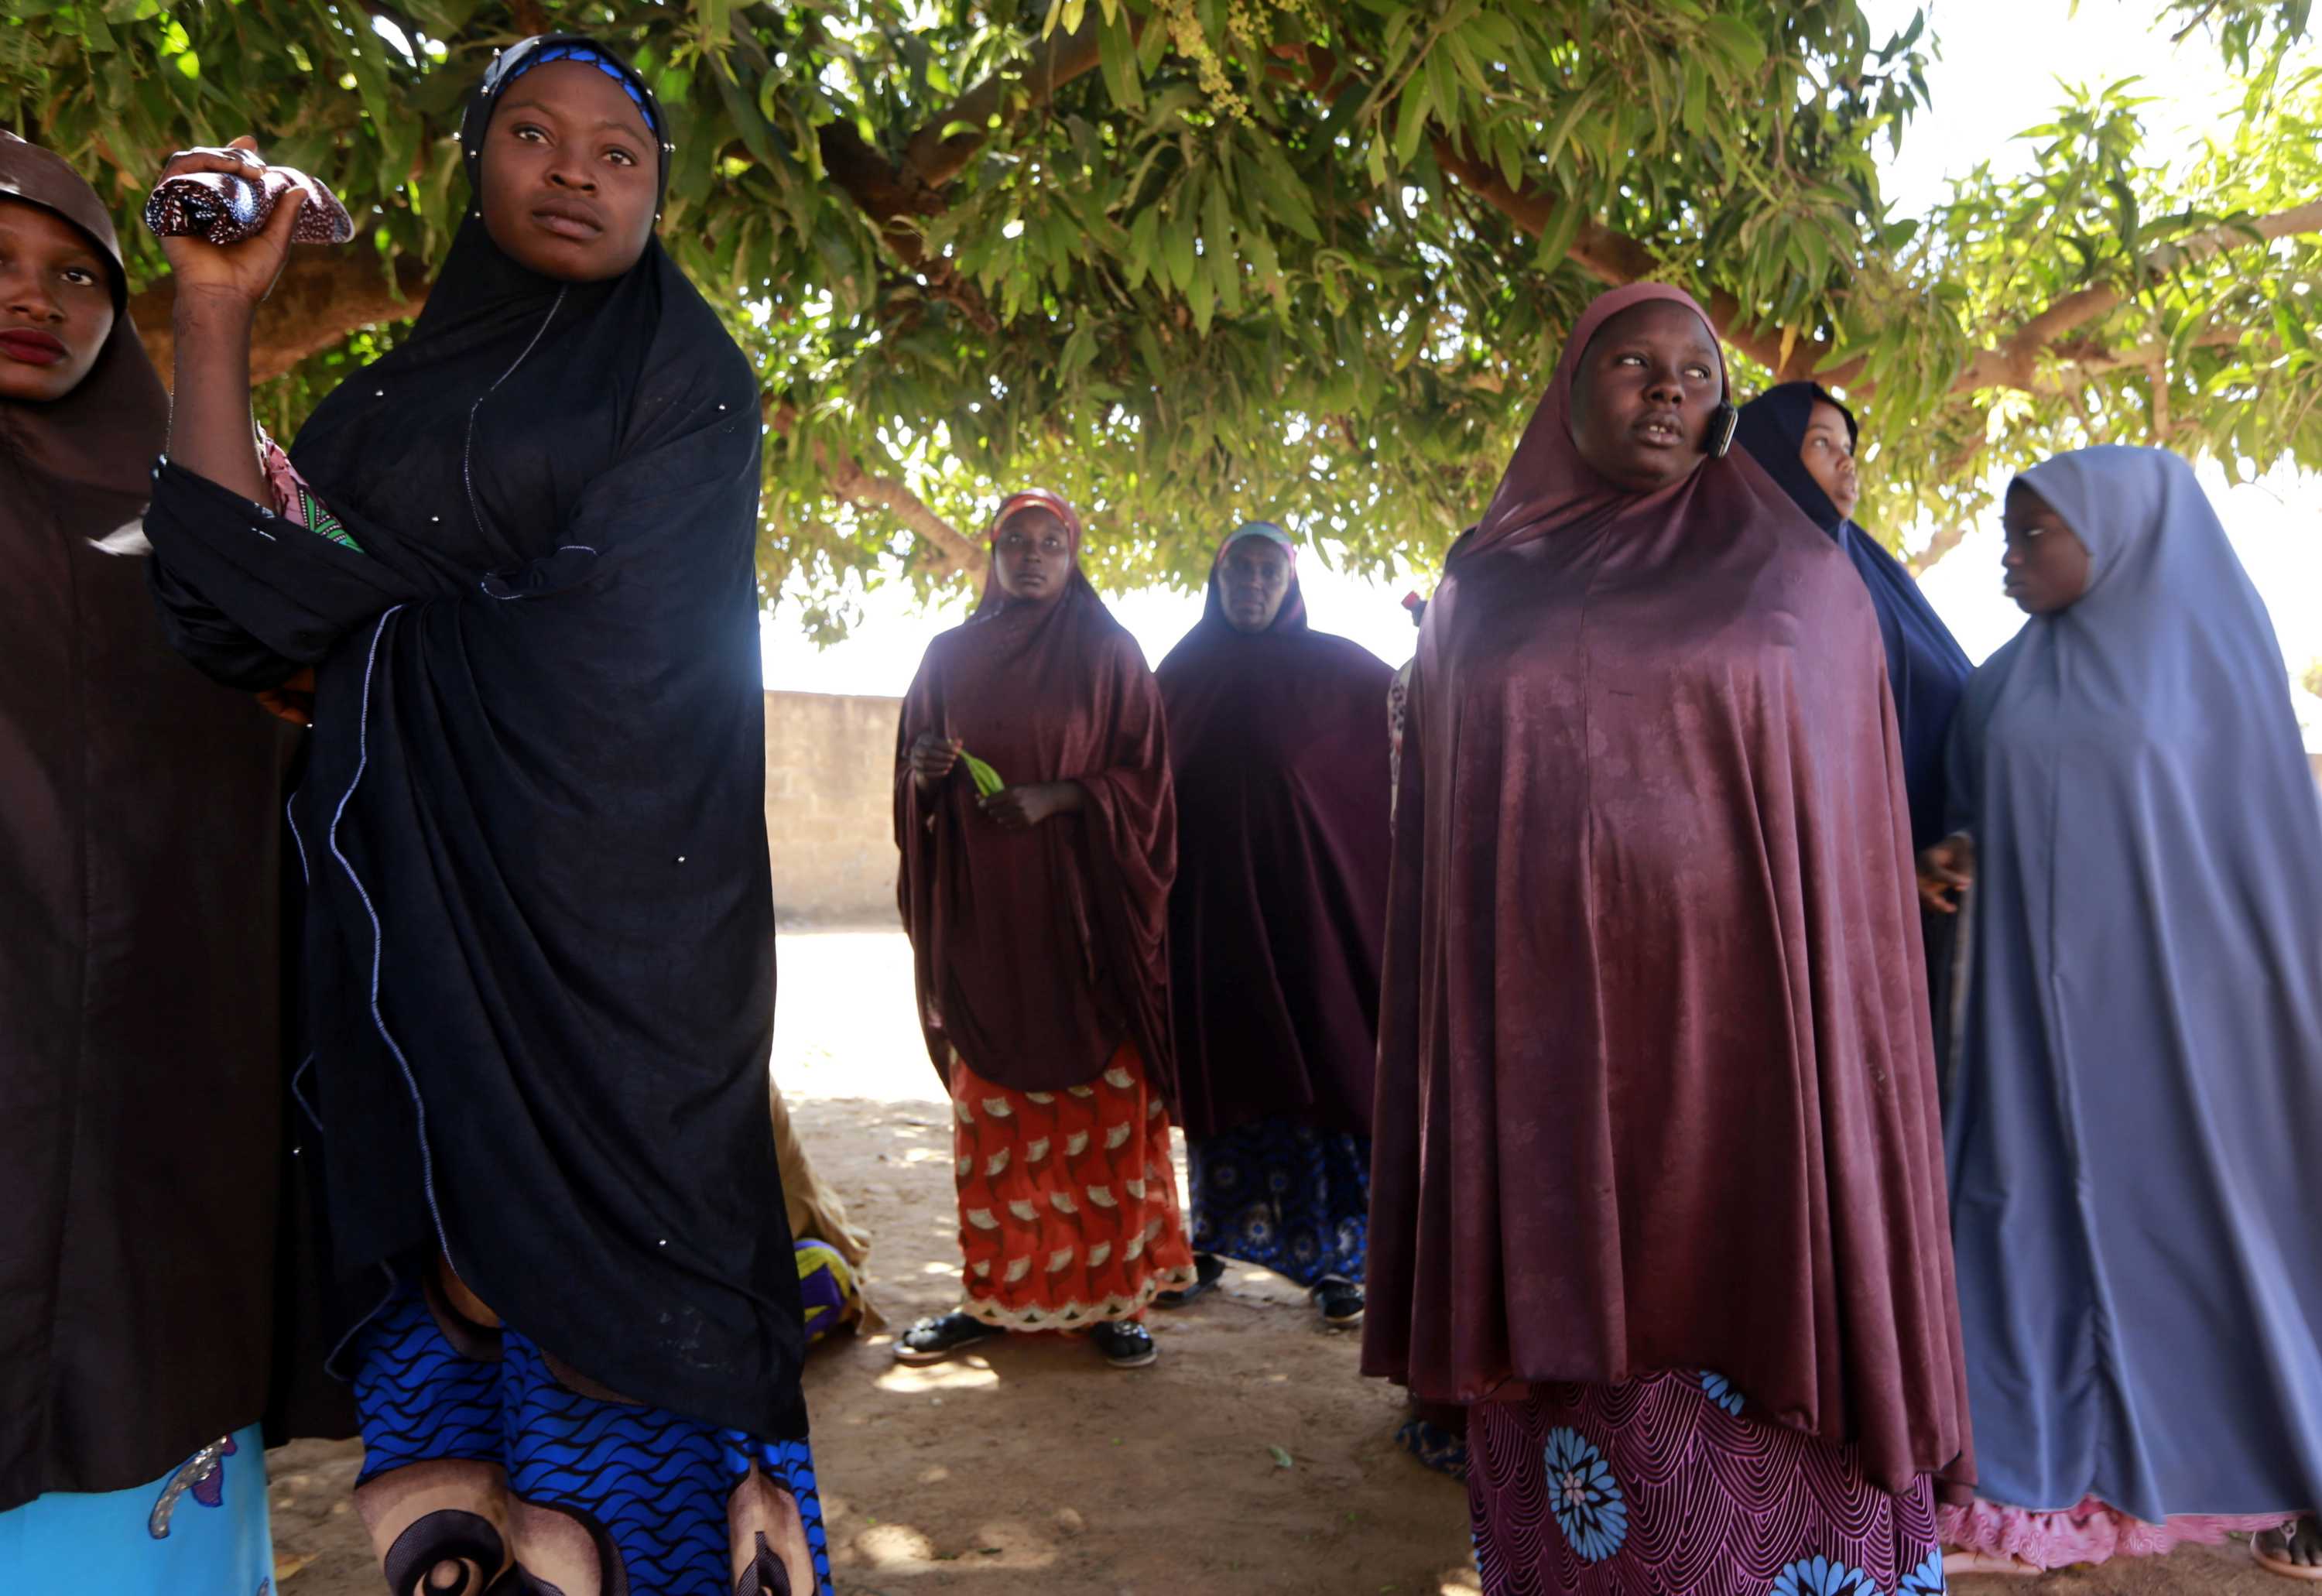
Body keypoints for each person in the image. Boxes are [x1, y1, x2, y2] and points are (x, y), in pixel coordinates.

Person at [139, 38, 830, 1594]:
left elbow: (614, 654)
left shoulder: (685, 376)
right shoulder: (385, 411)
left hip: (624, 959)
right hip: (411, 952)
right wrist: (217, 307)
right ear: (476, 164)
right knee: (460, 1439)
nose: (575, 172)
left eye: (618, 153)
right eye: (533, 135)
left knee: (635, 1388)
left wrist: (350, 631)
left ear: (660, 197)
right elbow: (227, 592)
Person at [1365, 283, 1971, 1595]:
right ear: (1569, 387)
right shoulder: (1482, 585)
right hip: (1549, 1043)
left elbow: (1844, 830)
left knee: (1762, 1267)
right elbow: (1451, 828)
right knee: (1572, 1311)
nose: (1665, 388)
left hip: (1759, 1029)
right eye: (1632, 363)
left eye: (1695, 371)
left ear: (1720, 406)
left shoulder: (1797, 574)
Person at [1921, 446, 2322, 1579]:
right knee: (2019, 1230)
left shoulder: (2207, 676)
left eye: (2034, 533)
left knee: (2198, 1245)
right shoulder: (2000, 683)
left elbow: (2253, 861)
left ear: (2123, 535)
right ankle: (2032, 1489)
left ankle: (2254, 1472)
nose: (2009, 556)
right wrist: (1953, 849)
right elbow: (1975, 807)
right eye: (2007, 534)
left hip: (2170, 1037)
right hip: (2020, 1035)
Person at [0, 129, 286, 1595]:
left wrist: (218, 306)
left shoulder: (185, 508)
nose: (33, 298)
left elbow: (279, 650)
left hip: (162, 1127)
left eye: (73, 275)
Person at [893, 489, 1195, 1371]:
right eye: (1015, 542)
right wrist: (925, 771)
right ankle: (995, 1295)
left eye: (1050, 543)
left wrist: (1063, 796)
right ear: (991, 554)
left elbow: (1150, 786)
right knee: (993, 1112)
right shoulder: (948, 656)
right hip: (988, 921)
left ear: (1074, 555)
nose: (1031, 556)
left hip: (1085, 927)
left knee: (1100, 1108)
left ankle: (1114, 1301)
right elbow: (916, 782)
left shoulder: (1110, 653)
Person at [1150, 521, 1391, 1328]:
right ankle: (1211, 1239)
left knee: (1325, 1059)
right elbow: (1139, 782)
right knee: (1229, 1065)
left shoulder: (1342, 671)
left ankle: (1336, 1263)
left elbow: (1412, 726)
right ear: (1215, 580)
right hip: (1212, 918)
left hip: (1313, 919)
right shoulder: (1178, 676)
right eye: (1237, 570)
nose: (1251, 583)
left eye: (1267, 570)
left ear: (1291, 583)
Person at [1736, 384, 1976, 1093]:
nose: (1847, 466)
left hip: (1918, 896)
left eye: (1849, 450)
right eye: (1820, 445)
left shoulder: (1870, 568)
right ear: (1767, 454)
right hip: (1808, 907)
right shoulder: (1747, 580)